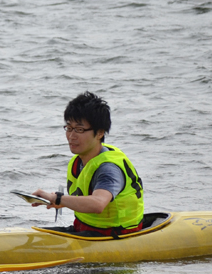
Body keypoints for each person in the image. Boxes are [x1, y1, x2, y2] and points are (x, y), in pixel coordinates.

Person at [32, 91, 144, 236]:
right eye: (69, 128)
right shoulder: (78, 161)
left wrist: (57, 198)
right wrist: (60, 201)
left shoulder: (109, 168)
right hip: (86, 230)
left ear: (100, 133)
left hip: (115, 235)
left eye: (79, 129)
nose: (71, 136)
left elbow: (98, 204)